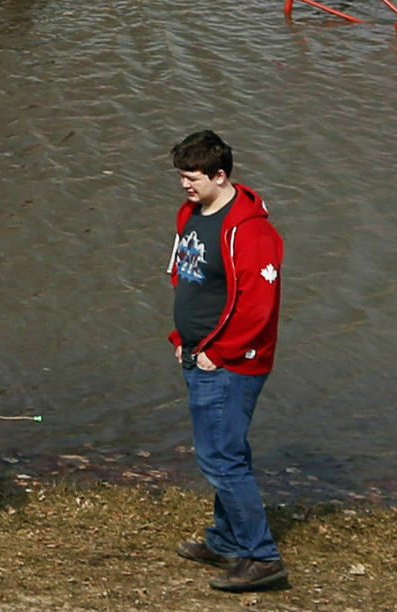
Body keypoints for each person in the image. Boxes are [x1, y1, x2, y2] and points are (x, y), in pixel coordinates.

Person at [167, 129, 289, 595]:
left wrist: (217, 353)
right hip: (199, 353)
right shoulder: (192, 216)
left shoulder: (252, 231)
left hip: (231, 363)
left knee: (220, 458)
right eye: (181, 176)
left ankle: (262, 558)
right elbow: (186, 277)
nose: (185, 185)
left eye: (192, 177)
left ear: (220, 175)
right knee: (226, 452)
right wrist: (183, 337)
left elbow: (259, 306)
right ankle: (225, 540)